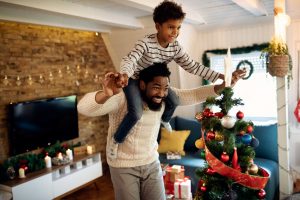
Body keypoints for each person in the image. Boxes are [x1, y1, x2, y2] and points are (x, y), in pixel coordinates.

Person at [77, 62, 245, 200]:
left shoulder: (164, 99)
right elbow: (83, 107)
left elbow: (194, 95)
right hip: (123, 166)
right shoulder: (122, 100)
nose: (161, 93)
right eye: (156, 87)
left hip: (151, 163)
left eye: (165, 88)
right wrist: (106, 94)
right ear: (142, 85)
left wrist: (224, 85)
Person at [111, 0, 226, 144]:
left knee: (174, 101)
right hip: (135, 79)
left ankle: (164, 120)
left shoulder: (175, 47)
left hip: (156, 82)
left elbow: (192, 66)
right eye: (171, 27)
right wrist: (125, 74)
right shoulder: (145, 43)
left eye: (178, 27)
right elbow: (130, 60)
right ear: (158, 26)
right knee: (136, 113)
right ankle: (117, 139)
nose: (175, 32)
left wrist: (219, 76)